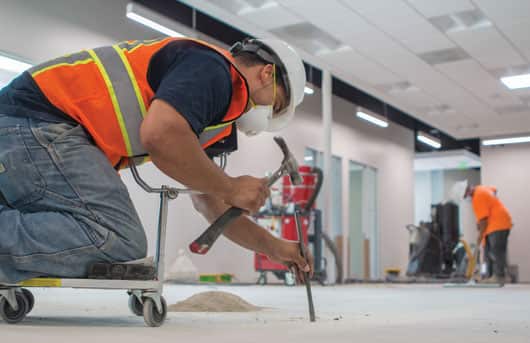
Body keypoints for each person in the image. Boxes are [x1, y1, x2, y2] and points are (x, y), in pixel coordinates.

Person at [0, 37, 313, 284]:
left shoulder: (215, 120)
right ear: (267, 73)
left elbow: (210, 204)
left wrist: (275, 247)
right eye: (276, 104)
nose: (265, 116)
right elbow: (160, 135)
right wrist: (231, 187)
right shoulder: (213, 69)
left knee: (104, 236)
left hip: (30, 131)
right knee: (117, 238)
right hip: (39, 122)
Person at [463, 183, 512, 285]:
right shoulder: (482, 189)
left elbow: (484, 221)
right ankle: (490, 276)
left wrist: (480, 236)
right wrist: (479, 222)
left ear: (468, 192)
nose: (466, 198)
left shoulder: (477, 196)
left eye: (465, 196)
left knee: (496, 251)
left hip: (497, 224)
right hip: (499, 222)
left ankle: (499, 276)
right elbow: (494, 191)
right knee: (489, 251)